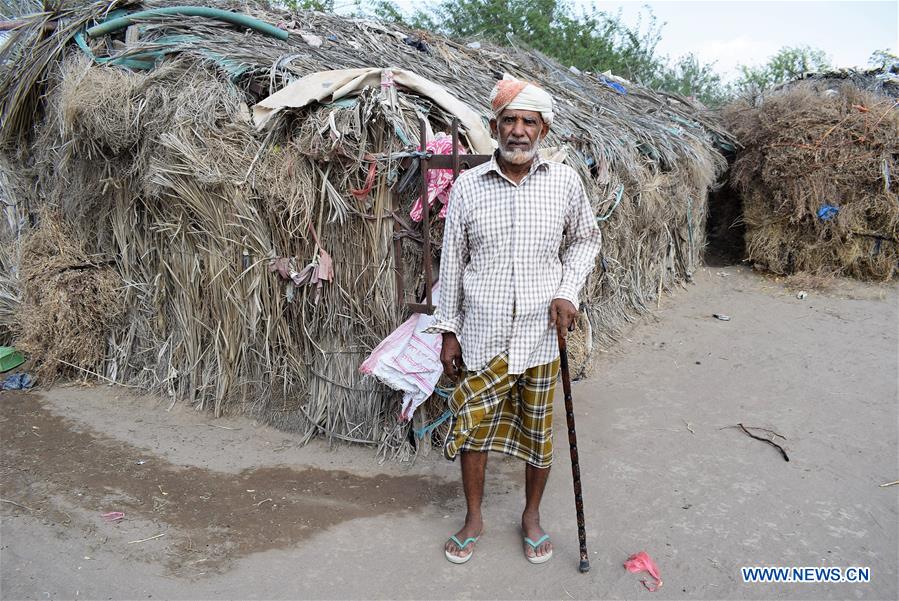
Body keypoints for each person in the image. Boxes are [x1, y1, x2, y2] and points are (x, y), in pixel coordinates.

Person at [427, 76, 601, 565]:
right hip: (482, 333)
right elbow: (453, 261)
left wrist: (567, 293)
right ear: (494, 126)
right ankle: (474, 517)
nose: (518, 130)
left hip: (542, 338)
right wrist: (448, 331)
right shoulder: (467, 187)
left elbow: (586, 240)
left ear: (543, 128)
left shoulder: (564, 182)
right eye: (509, 120)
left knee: (538, 432)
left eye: (528, 121)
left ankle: (531, 516)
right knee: (473, 431)